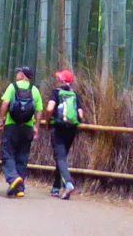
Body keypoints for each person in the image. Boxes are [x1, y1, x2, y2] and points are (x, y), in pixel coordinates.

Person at [0, 65, 41, 197]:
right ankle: (20, 188)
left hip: (12, 125)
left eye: (19, 72)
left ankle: (13, 178)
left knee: (7, 153)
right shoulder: (34, 90)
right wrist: (36, 127)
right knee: (22, 156)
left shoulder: (13, 87)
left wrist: (1, 120)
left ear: (22, 75)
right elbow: (39, 111)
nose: (17, 74)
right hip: (27, 127)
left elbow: (5, 104)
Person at [45, 69, 82, 200]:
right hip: (71, 129)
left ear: (61, 81)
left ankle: (68, 183)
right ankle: (56, 187)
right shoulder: (75, 95)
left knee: (60, 158)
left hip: (58, 128)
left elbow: (49, 108)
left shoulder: (56, 93)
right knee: (61, 158)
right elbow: (81, 115)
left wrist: (48, 120)